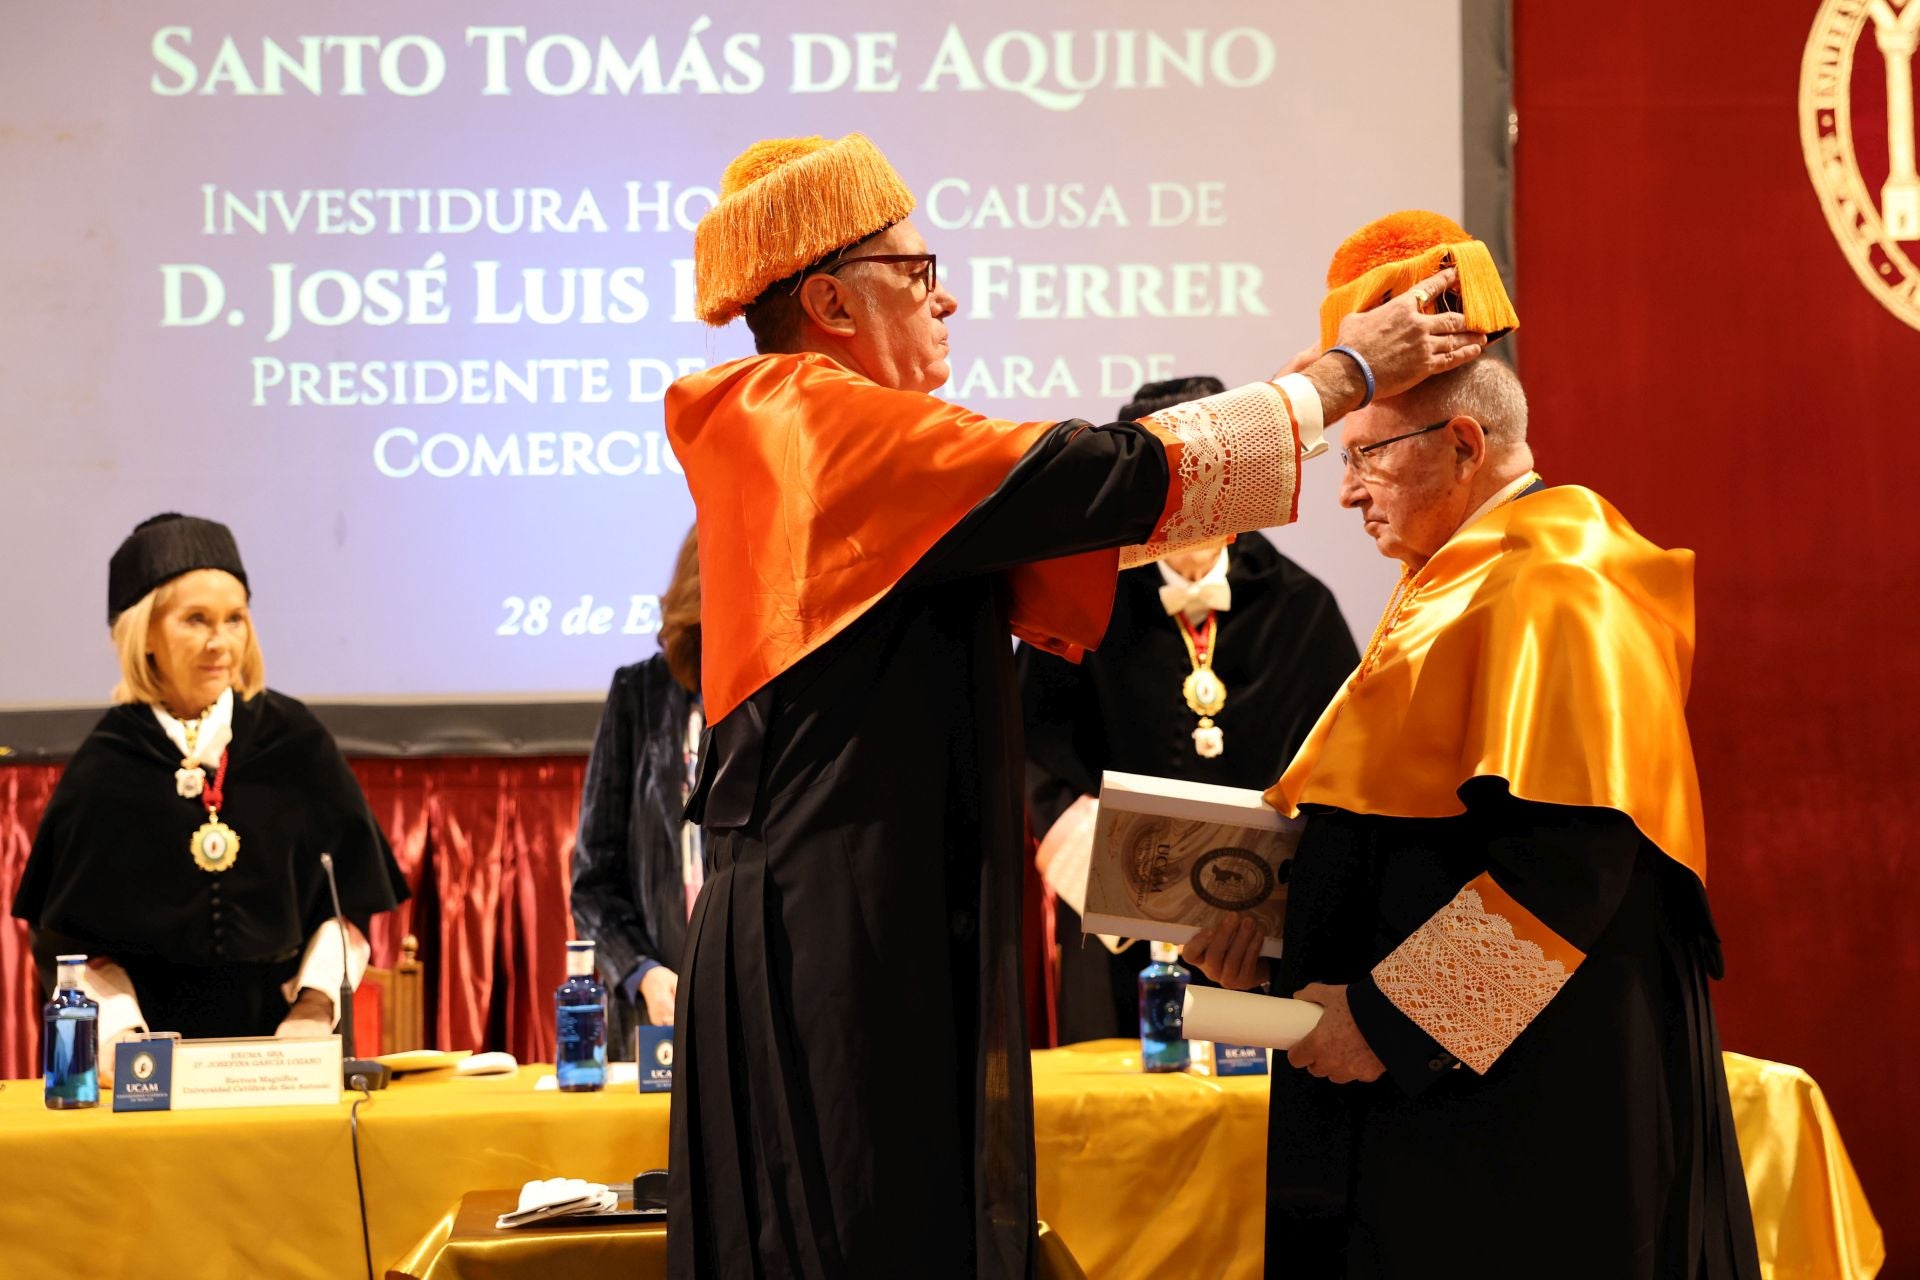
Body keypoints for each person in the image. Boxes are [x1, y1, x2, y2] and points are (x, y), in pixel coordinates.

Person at [661, 136, 1490, 1280]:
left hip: (854, 910)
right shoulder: (811, 417)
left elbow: (1098, 510)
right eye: (916, 269)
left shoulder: (815, 422)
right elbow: (1100, 477)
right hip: (835, 936)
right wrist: (1343, 375)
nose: (945, 293)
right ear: (828, 299)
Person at [1184, 212, 1761, 1279]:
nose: (1344, 492)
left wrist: (1390, 1022)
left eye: (1362, 458)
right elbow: (1406, 844)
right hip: (1433, 1119)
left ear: (1462, 443)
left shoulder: (1561, 580)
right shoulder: (1455, 580)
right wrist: (1262, 926)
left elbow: (1570, 859)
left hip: (1516, 1134)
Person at [1019, 376, 1358, 1043]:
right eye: (1162, 485)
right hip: (1120, 935)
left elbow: (1344, 765)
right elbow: (1030, 755)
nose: (1185, 505)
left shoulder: (1300, 606)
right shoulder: (1081, 610)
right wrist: (1125, 887)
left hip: (1259, 933)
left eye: (1203, 477)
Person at [13, 513, 408, 1059]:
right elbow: (68, 939)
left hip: (285, 1045)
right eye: (196, 620)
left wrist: (314, 1008)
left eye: (235, 619)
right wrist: (124, 1041)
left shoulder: (294, 742)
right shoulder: (108, 762)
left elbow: (348, 905)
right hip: (148, 1060)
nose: (221, 642)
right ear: (145, 632)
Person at [572, 526, 704, 1056]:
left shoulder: (779, 699)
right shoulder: (638, 695)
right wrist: (643, 973)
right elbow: (594, 882)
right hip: (657, 1020)